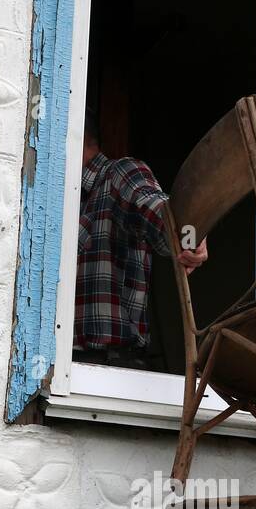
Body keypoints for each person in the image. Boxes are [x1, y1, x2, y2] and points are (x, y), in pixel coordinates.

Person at [75, 64, 208, 368]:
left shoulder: (118, 175)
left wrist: (189, 230)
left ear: (74, 136)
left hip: (110, 373)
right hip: (70, 372)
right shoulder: (68, 200)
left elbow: (160, 212)